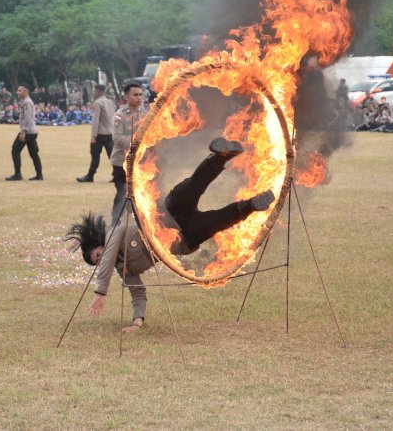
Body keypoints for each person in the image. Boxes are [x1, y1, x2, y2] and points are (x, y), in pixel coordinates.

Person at [65, 137, 275, 332]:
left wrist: (100, 292)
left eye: (97, 255)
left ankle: (221, 156)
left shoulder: (115, 232)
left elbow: (109, 257)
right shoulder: (126, 270)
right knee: (218, 221)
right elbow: (138, 293)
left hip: (170, 211)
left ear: (99, 244)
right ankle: (253, 204)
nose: (101, 259)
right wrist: (137, 324)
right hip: (184, 237)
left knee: (193, 186)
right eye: (97, 261)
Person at [109, 82, 146, 223]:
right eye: (135, 95)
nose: (139, 98)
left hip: (140, 161)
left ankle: (138, 222)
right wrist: (137, 142)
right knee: (122, 193)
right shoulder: (120, 116)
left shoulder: (145, 114)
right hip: (121, 162)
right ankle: (115, 222)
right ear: (126, 97)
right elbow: (117, 139)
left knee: (140, 193)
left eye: (140, 94)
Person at [77, 84, 115, 183]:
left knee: (95, 156)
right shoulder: (110, 102)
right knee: (113, 156)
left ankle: (90, 176)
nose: (94, 93)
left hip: (100, 134)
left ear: (98, 91)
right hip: (110, 133)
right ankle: (118, 175)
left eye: (95, 91)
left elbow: (95, 121)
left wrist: (93, 136)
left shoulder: (98, 103)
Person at [6, 84, 42, 181]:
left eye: (20, 90)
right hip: (32, 131)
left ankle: (17, 174)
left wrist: (23, 131)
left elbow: (28, 118)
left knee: (15, 150)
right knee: (34, 153)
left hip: (28, 131)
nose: (18, 92)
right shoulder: (25, 102)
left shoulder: (27, 102)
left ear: (26, 91)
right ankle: (39, 175)